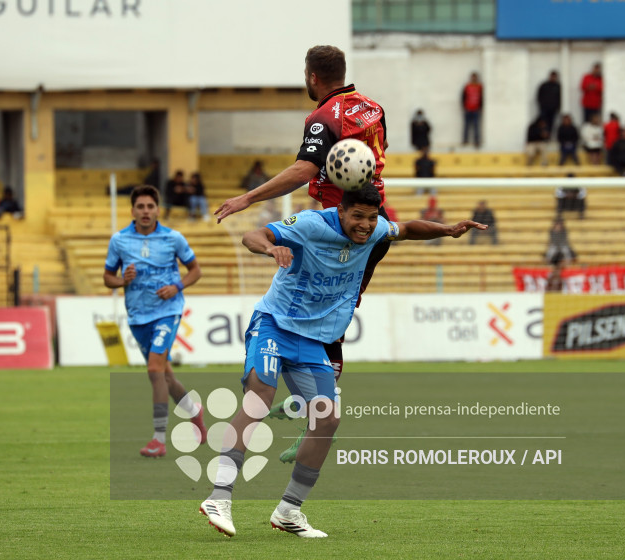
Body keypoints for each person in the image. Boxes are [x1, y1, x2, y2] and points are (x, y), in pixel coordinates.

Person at [199, 185, 486, 539]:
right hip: (273, 323)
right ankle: (219, 497)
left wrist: (448, 229)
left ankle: (289, 510)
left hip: (312, 341)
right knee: (259, 397)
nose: (366, 225)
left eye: (371, 217)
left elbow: (408, 229)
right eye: (358, 216)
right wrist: (271, 248)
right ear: (341, 211)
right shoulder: (309, 223)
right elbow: (252, 234)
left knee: (328, 419)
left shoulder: (378, 227)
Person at [214, 45, 392, 461]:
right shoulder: (373, 108)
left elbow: (305, 170)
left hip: (337, 225)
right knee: (338, 310)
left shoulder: (322, 117)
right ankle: (311, 407)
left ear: (312, 76)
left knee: (308, 306)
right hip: (373, 225)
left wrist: (248, 198)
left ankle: (309, 409)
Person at [103, 184, 207, 458]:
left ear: (157, 209)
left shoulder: (173, 238)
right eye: (141, 207)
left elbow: (195, 271)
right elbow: (107, 278)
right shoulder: (120, 240)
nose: (146, 211)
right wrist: (121, 280)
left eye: (150, 206)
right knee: (165, 375)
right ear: (133, 211)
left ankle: (158, 440)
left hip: (167, 311)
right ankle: (195, 412)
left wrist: (177, 286)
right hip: (138, 316)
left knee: (153, 369)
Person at [462, 72, 483, 148]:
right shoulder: (467, 86)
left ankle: (476, 141)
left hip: (476, 109)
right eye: (473, 77)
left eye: (475, 77)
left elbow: (482, 97)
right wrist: (464, 106)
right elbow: (463, 96)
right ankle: (465, 140)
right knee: (466, 126)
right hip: (468, 109)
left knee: (476, 126)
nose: (474, 79)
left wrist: (480, 107)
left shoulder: (479, 86)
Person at [537, 70, 561, 135]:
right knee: (543, 123)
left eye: (554, 77)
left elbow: (559, 98)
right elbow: (539, 96)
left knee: (551, 124)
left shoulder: (558, 86)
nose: (553, 78)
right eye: (552, 76)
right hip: (544, 108)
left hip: (553, 109)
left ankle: (549, 136)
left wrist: (557, 107)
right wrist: (542, 104)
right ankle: (542, 136)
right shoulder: (544, 85)